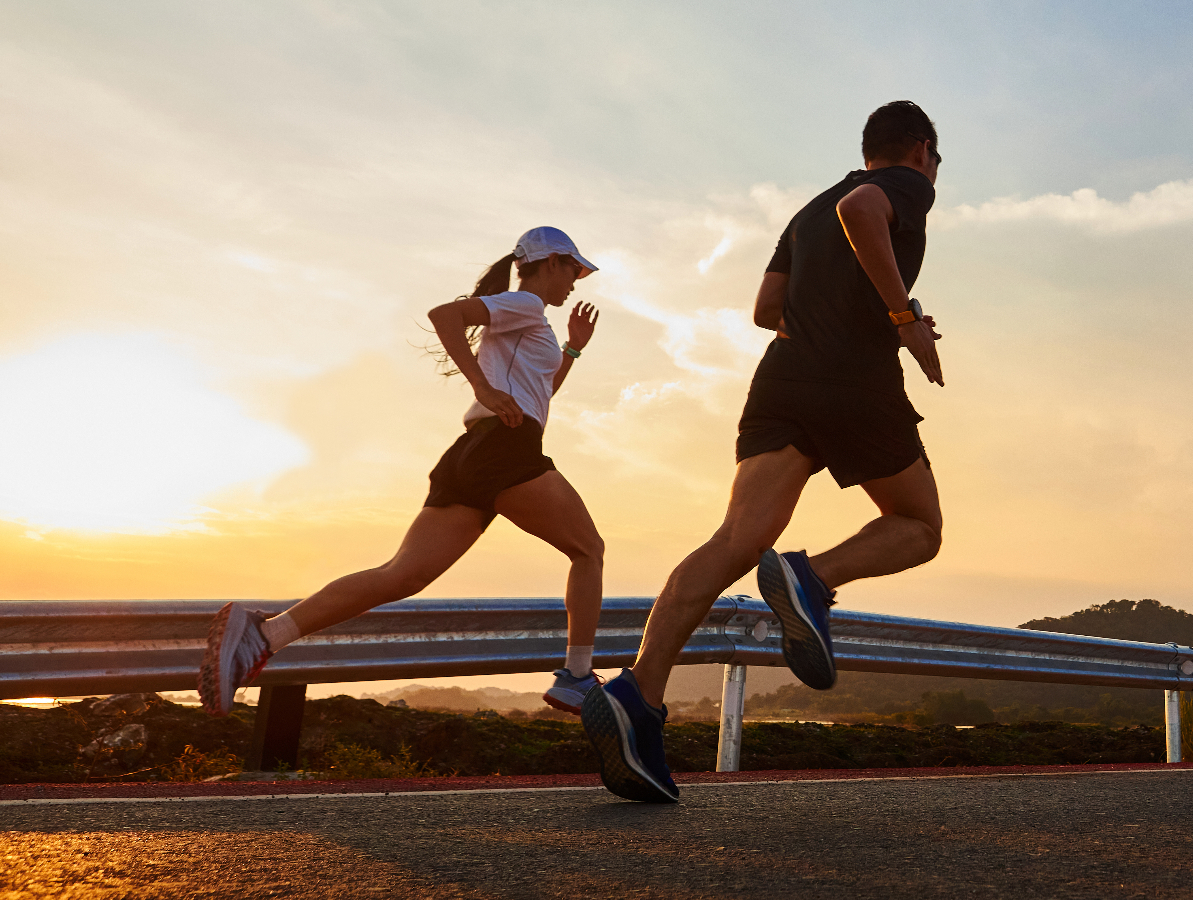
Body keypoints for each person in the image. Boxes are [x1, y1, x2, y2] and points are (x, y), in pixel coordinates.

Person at [582, 102, 946, 802]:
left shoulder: (809, 209)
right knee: (918, 527)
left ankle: (639, 692)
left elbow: (766, 307)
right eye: (934, 161)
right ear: (921, 150)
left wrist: (872, 307)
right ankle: (814, 578)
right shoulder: (900, 185)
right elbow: (866, 210)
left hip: (783, 379)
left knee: (737, 538)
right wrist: (902, 320)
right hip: (856, 382)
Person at [199, 227, 610, 718]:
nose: (576, 283)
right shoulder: (523, 305)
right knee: (588, 549)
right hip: (505, 450)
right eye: (573, 270)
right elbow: (445, 316)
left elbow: (539, 394)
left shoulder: (528, 320)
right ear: (552, 263)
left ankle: (267, 633)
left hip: (474, 454)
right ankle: (577, 677)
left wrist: (572, 350)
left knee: (401, 576)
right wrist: (483, 387)